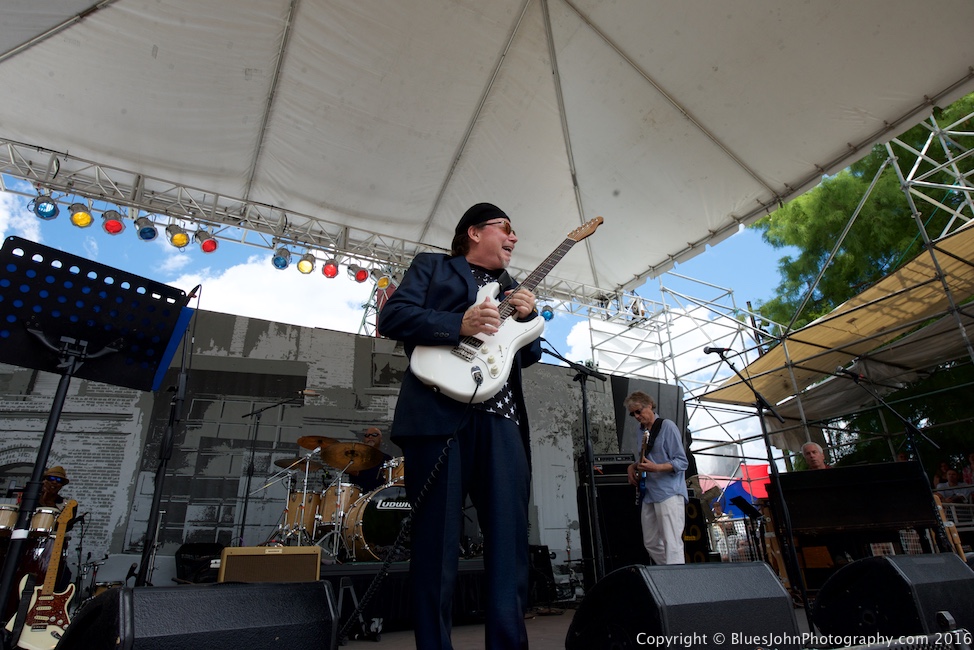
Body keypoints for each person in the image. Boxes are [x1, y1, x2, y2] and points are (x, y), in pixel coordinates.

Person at [377, 202, 542, 650]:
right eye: (504, 228)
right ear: (473, 232)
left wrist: (527, 320)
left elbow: (527, 355)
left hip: (502, 423)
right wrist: (457, 322)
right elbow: (391, 317)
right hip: (436, 417)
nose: (513, 238)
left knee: (509, 545)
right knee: (437, 544)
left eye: (514, 233)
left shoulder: (514, 291)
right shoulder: (433, 267)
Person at [624, 391, 689, 565]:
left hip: (668, 491)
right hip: (649, 492)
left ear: (650, 405)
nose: (637, 416)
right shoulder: (641, 431)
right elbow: (647, 458)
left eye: (638, 411)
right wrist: (633, 466)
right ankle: (670, 573)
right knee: (651, 543)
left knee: (671, 541)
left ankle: (677, 582)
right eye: (632, 414)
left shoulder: (667, 426)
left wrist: (656, 468)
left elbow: (682, 462)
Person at [347, 427, 393, 493]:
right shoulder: (356, 457)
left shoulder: (387, 459)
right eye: (367, 435)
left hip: (380, 496)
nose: (370, 437)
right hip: (358, 498)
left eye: (374, 435)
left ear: (381, 439)